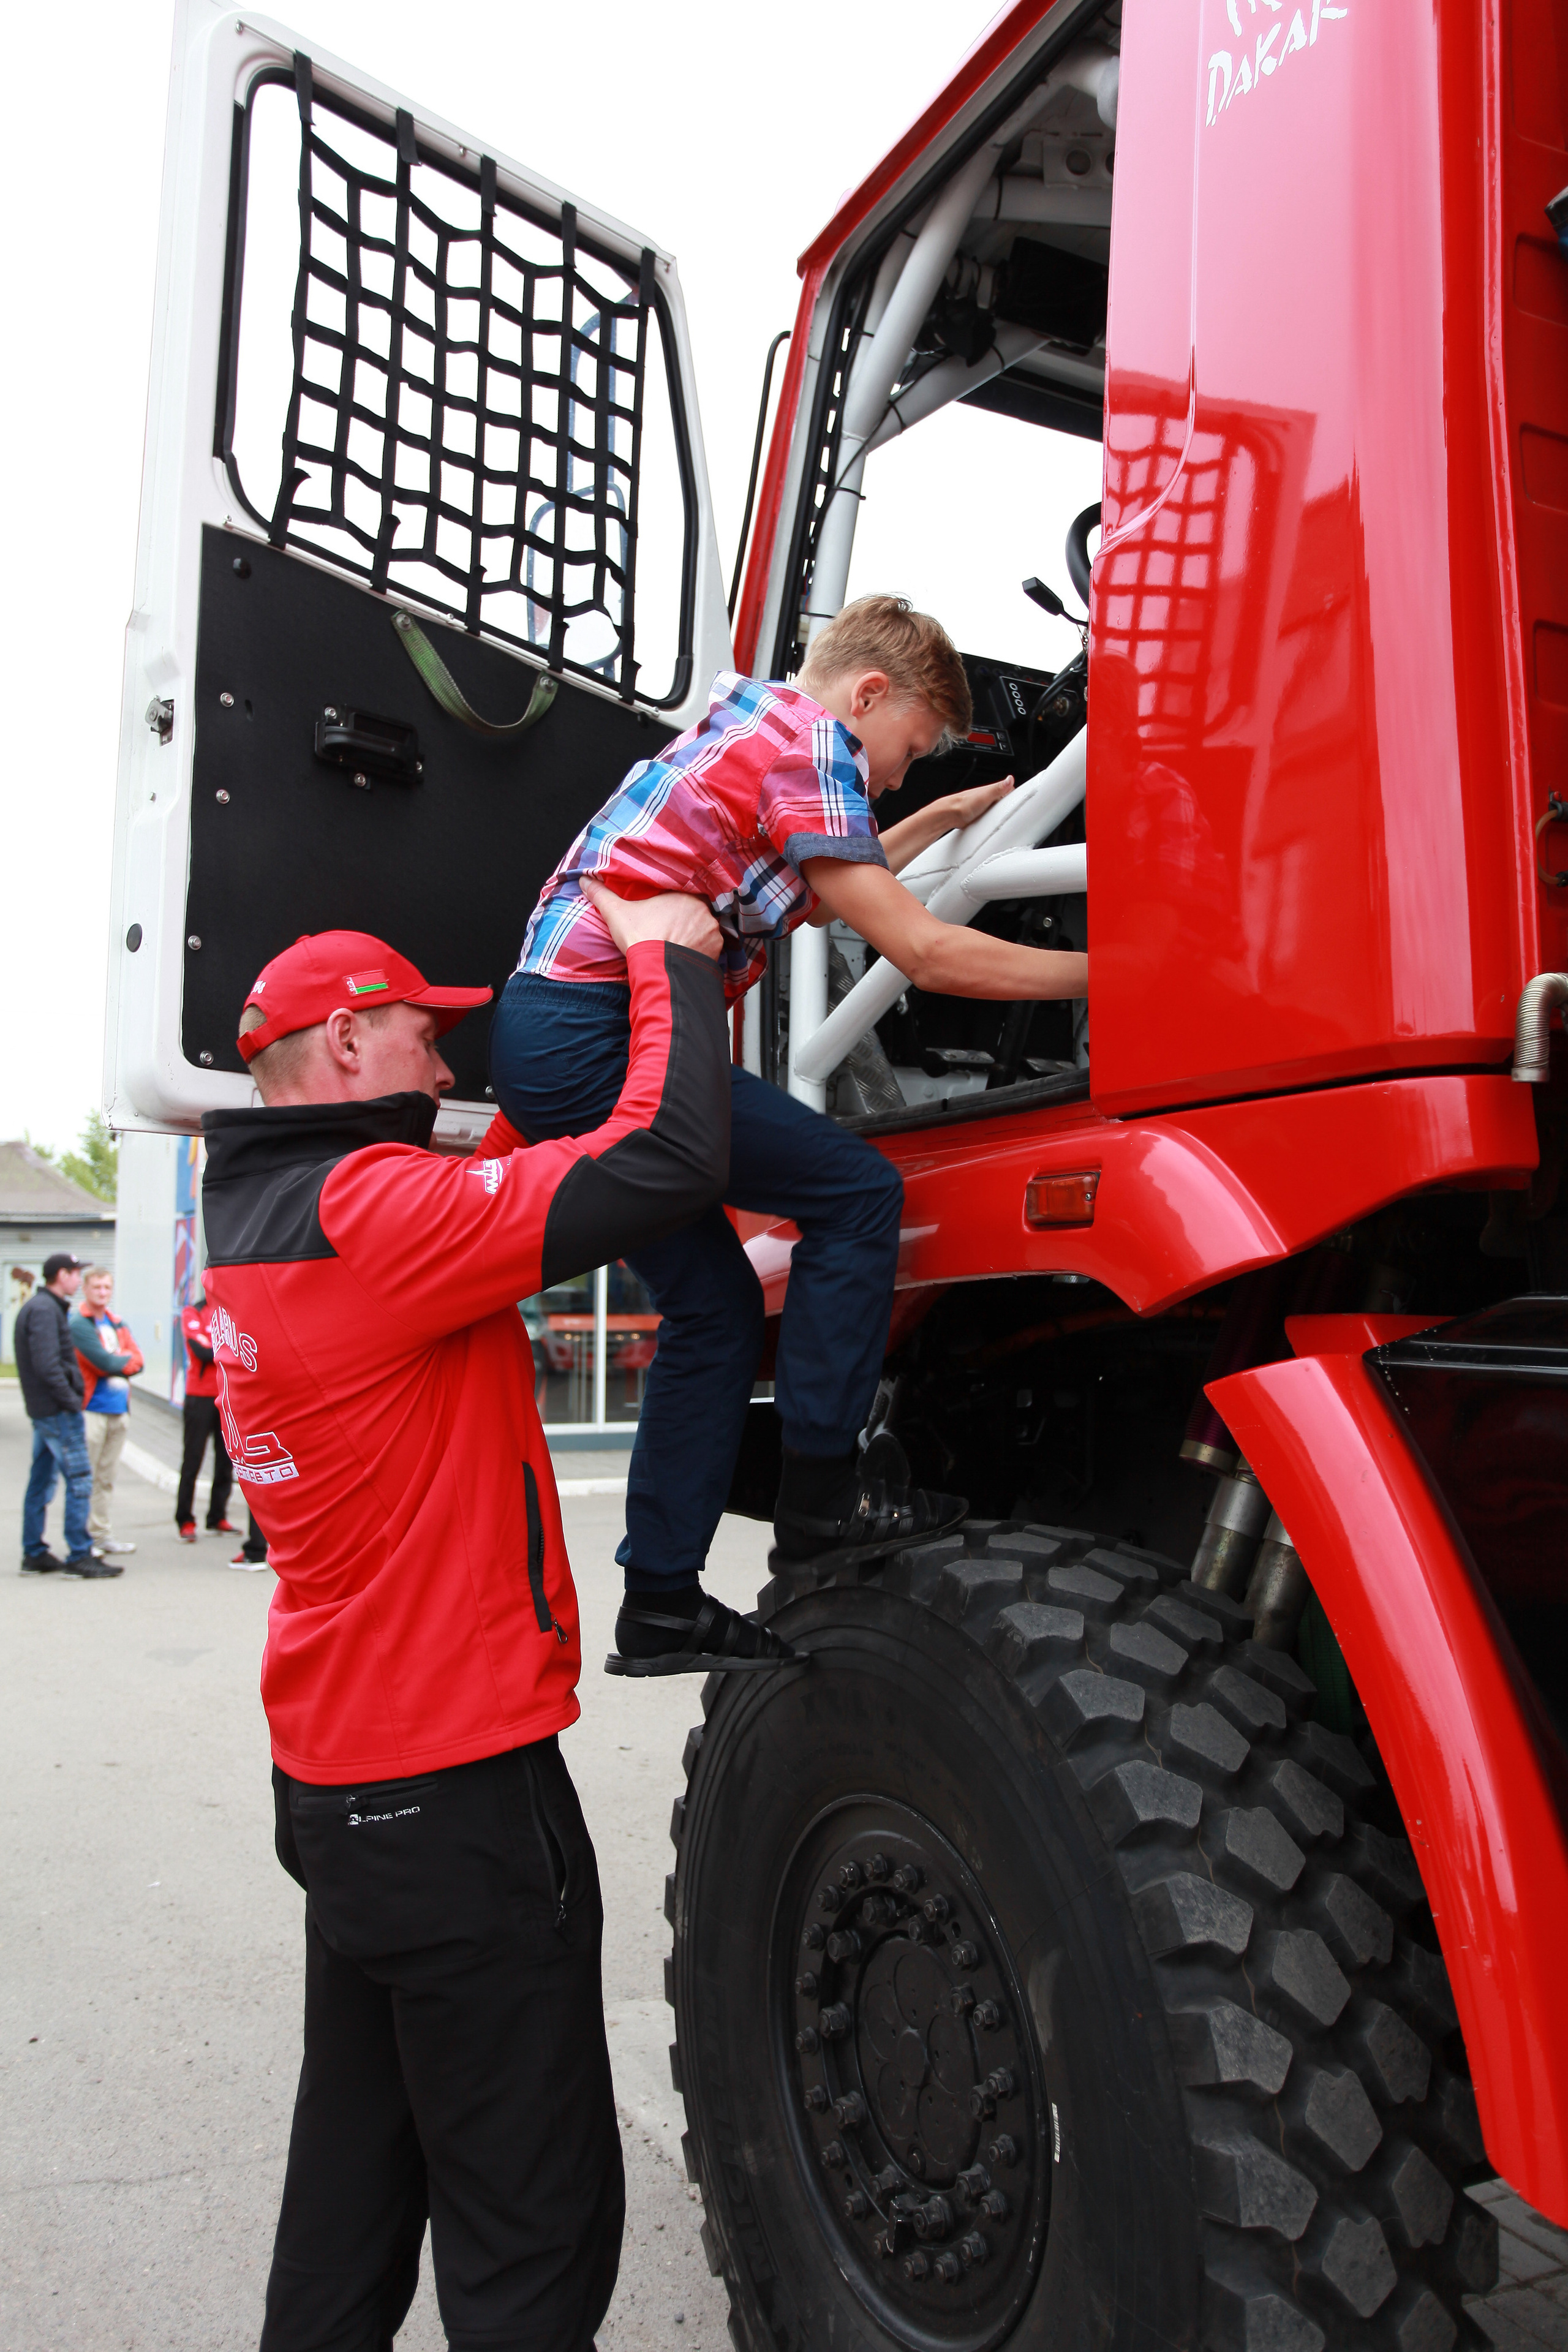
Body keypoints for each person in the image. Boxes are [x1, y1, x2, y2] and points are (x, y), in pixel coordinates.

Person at [202, 905, 730, 2350]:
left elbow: (490, 1196)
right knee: (530, 2225)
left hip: (338, 1783)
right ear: (345, 1042)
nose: (446, 1051)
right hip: (453, 1800)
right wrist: (677, 957)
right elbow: (667, 1163)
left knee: (353, 2183)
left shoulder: (255, 1209)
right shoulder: (370, 1215)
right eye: (421, 1027)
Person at [488, 593, 1090, 1675]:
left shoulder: (754, 731)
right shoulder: (809, 744)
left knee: (714, 1305)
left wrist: (935, 824)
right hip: (597, 1037)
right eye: (907, 750)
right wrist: (1129, 980)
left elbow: (808, 896)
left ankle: (660, 1603)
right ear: (866, 695)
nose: (900, 775)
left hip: (552, 1032)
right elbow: (928, 955)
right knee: (855, 1194)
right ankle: (822, 1487)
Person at [15, 1252, 119, 1577]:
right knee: (79, 1480)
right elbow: (48, 1366)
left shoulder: (43, 1307)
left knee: (41, 1481)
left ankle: (34, 1552)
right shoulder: (45, 1310)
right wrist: (73, 1401)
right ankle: (79, 1555)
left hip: (47, 1411)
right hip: (58, 1412)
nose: (79, 1279)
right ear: (62, 1275)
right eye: (76, 1273)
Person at [70, 1265, 143, 1557]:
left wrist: (121, 1360)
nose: (102, 1293)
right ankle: (82, 1539)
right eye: (97, 1287)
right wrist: (119, 1360)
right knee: (85, 1477)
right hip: (91, 1410)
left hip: (118, 1410)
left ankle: (101, 1534)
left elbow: (139, 1360)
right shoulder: (80, 1324)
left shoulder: (117, 1323)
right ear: (86, 1290)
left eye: (107, 1288)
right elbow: (105, 1364)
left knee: (106, 1477)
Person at [175, 1295, 241, 1543]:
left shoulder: (231, 1310)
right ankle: (185, 1520)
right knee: (192, 1459)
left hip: (227, 1398)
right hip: (199, 1397)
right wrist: (228, 1348)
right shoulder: (193, 1312)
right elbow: (201, 1351)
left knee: (227, 1461)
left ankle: (217, 1517)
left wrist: (220, 1346)